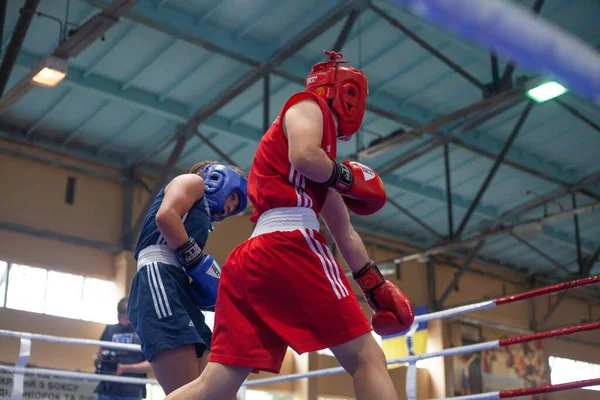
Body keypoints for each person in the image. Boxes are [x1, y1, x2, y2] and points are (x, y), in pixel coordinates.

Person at [166, 50, 415, 400]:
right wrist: (346, 177)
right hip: (290, 245)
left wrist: (375, 287)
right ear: (342, 91)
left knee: (216, 384)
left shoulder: (317, 166)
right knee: (367, 358)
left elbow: (344, 231)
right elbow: (305, 156)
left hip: (250, 261)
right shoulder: (307, 108)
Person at [126, 160, 248, 395]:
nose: (230, 207)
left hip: (178, 285)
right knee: (188, 391)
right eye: (233, 197)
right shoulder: (191, 182)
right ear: (217, 180)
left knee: (220, 392)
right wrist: (195, 259)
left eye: (236, 207)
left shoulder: (201, 216)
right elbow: (166, 217)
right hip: (158, 279)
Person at [94, 297, 151, 400]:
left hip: (131, 389)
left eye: (126, 317)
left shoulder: (143, 332)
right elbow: (98, 356)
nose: (123, 320)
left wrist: (124, 368)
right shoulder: (109, 329)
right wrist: (100, 359)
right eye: (121, 316)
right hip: (107, 388)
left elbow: (152, 365)